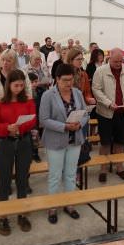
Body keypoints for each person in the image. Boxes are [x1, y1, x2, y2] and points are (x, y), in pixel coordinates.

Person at [39, 64, 89, 223]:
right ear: (57, 79)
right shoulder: (48, 95)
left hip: (75, 140)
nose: (69, 83)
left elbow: (85, 113)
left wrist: (80, 123)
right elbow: (44, 120)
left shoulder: (77, 93)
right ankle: (52, 206)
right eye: (65, 80)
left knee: (70, 174)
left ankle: (69, 204)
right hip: (56, 141)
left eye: (71, 80)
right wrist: (64, 127)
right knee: (54, 175)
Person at [0, 69, 37, 236]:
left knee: (22, 179)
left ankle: (22, 214)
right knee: (4, 181)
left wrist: (18, 128)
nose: (19, 88)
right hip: (5, 143)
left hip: (24, 142)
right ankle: (3, 217)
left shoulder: (28, 100)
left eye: (21, 85)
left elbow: (32, 119)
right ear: (8, 85)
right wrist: (7, 128)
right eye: (16, 85)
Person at [92, 48, 124, 182]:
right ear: (109, 58)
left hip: (122, 112)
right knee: (105, 143)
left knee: (120, 142)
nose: (118, 64)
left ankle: (119, 167)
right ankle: (103, 169)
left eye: (120, 61)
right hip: (105, 113)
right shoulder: (100, 71)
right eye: (115, 61)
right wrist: (108, 103)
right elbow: (96, 89)